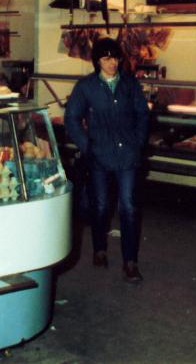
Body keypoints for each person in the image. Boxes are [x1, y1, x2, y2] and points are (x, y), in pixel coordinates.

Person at [64, 37, 150, 283]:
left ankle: (130, 262)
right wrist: (87, 145)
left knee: (129, 207)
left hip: (127, 156)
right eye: (106, 58)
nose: (112, 63)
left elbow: (142, 115)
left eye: (115, 58)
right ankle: (99, 248)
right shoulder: (86, 87)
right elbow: (72, 118)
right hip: (99, 156)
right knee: (100, 206)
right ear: (97, 61)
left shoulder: (129, 85)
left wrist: (138, 142)